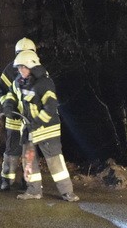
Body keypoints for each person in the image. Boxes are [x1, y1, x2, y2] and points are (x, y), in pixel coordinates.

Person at [11, 50, 79, 202]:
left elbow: (50, 106)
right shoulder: (20, 82)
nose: (20, 70)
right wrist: (10, 107)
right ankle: (33, 190)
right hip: (29, 128)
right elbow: (13, 97)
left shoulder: (44, 83)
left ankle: (67, 192)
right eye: (19, 68)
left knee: (55, 161)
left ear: (32, 66)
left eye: (23, 67)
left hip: (46, 130)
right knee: (28, 161)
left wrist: (36, 123)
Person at [0, 37, 37, 190]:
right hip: (14, 119)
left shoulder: (38, 71)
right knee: (12, 150)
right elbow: (2, 90)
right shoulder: (11, 69)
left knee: (29, 152)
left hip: (30, 121)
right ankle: (7, 179)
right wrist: (7, 105)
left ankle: (28, 182)